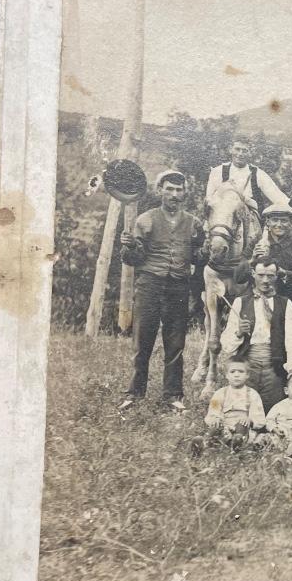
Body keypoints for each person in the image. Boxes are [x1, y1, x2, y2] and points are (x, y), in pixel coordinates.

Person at [119, 169, 205, 411]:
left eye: (179, 190)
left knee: (176, 342)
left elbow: (198, 257)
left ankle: (173, 396)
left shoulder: (194, 223)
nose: (174, 194)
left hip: (179, 285)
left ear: (185, 193)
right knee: (142, 339)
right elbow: (132, 259)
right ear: (160, 191)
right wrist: (129, 246)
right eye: (169, 189)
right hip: (150, 284)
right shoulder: (145, 220)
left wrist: (207, 251)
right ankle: (134, 394)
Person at [219, 256, 292, 412]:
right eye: (261, 275)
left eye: (270, 276)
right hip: (247, 364)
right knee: (244, 408)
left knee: (272, 409)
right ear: (253, 274)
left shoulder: (285, 303)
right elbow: (227, 346)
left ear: (276, 276)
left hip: (274, 364)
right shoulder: (241, 302)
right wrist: (239, 332)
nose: (265, 280)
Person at [236, 202, 292, 322]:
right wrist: (252, 260)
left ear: (291, 223)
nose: (279, 225)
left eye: (284, 221)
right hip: (255, 301)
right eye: (274, 220)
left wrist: (284, 273)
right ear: (268, 222)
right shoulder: (255, 243)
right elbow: (238, 277)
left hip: (285, 303)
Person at [191, 357, 268, 454]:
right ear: (227, 375)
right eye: (232, 372)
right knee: (215, 427)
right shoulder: (219, 393)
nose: (236, 375)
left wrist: (250, 420)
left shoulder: (253, 394)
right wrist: (215, 418)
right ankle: (203, 444)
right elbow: (213, 410)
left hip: (243, 430)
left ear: (247, 375)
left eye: (241, 371)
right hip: (225, 428)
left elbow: (259, 417)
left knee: (241, 427)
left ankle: (237, 445)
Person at [205, 133, 289, 211]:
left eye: (245, 151)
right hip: (222, 216)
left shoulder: (258, 174)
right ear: (231, 149)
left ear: (250, 153)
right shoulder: (218, 171)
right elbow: (209, 199)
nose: (240, 154)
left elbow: (279, 198)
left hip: (250, 217)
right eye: (237, 149)